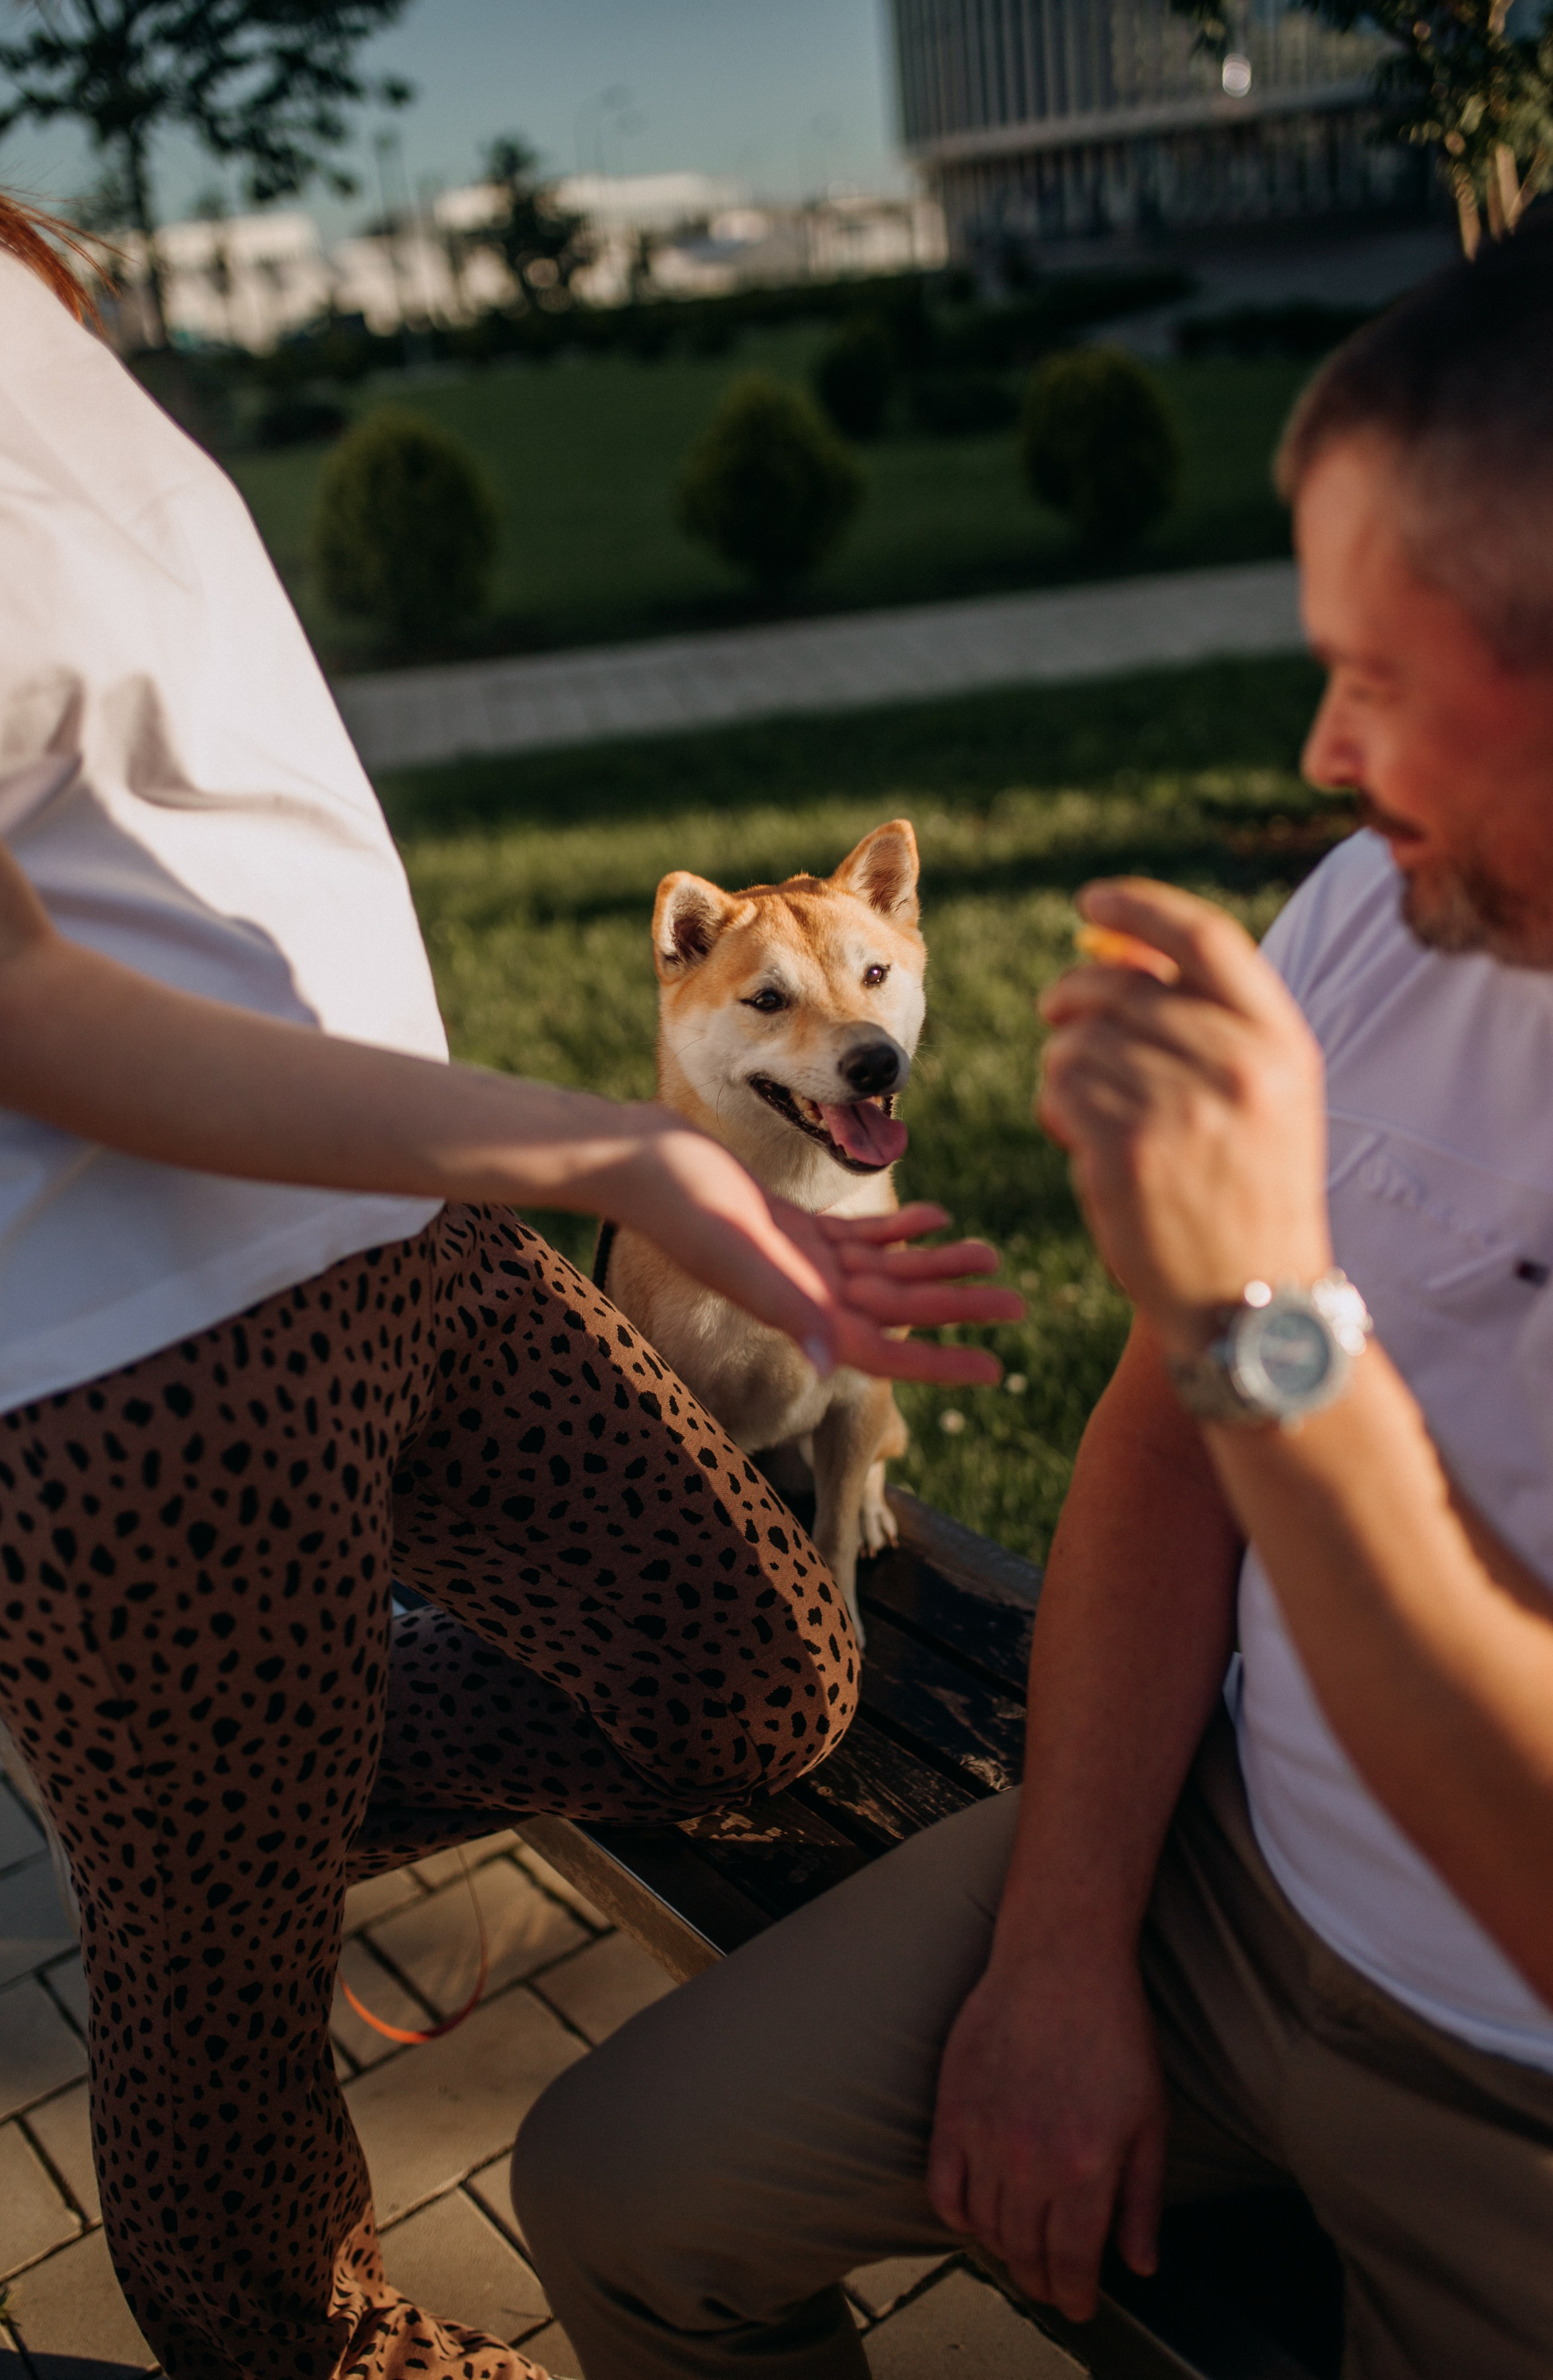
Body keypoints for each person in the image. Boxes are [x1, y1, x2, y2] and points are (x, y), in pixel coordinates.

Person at [0, 169, 1021, 2380]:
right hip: (117, 1357)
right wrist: (619, 1136)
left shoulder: (3, 262)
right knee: (227, 2053)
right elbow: (9, 995)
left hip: (402, 1213)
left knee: (759, 1682)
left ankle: (203, 1832)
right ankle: (283, 2238)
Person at [511, 223, 1553, 2380]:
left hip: (1511, 2095)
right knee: (617, 2192)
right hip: (1228, 1872)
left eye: (1407, 659)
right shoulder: (1386, 909)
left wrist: (1267, 1309)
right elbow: (1176, 1430)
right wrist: (1071, 1942)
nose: (1332, 755)